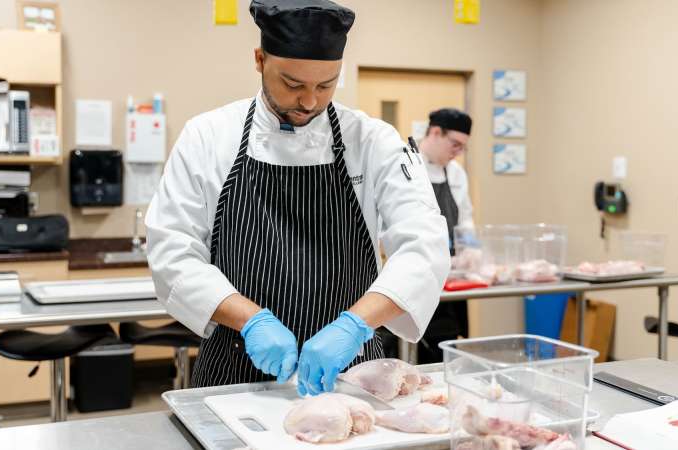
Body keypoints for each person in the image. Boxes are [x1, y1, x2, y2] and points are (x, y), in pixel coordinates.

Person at [145, 0, 449, 395]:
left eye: (326, 85)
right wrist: (252, 320)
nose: (309, 102)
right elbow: (173, 252)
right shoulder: (207, 136)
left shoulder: (373, 140)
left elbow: (423, 248)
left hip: (350, 371)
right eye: (293, 84)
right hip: (235, 366)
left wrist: (353, 326)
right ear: (259, 60)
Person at [416, 108, 474, 363]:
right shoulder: (407, 164)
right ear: (436, 132)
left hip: (450, 277)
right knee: (415, 345)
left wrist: (472, 249)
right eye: (455, 144)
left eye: (462, 147)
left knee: (446, 343)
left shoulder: (456, 173)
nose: (457, 152)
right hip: (417, 272)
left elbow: (466, 218)